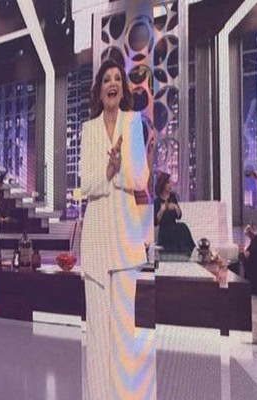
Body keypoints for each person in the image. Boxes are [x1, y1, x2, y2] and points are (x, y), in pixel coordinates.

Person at [79, 59, 154, 399]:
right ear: (99, 90)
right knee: (97, 331)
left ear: (122, 89)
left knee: (124, 330)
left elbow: (140, 178)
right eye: (106, 80)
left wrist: (119, 169)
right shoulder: (88, 129)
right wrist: (107, 173)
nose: (112, 84)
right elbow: (86, 185)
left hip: (125, 240)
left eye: (117, 80)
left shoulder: (133, 122)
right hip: (96, 241)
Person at [154, 172, 195, 254]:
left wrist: (176, 207)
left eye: (170, 183)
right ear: (163, 185)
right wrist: (162, 210)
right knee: (180, 229)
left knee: (183, 226)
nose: (170, 185)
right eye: (168, 183)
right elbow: (156, 222)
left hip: (174, 227)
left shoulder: (172, 197)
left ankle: (189, 251)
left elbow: (179, 216)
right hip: (164, 230)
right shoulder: (157, 201)